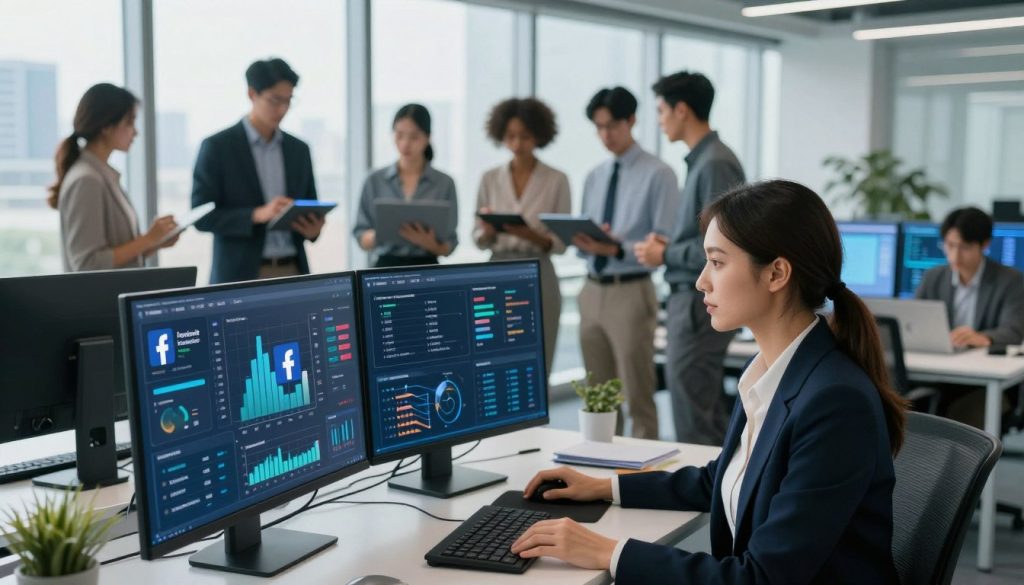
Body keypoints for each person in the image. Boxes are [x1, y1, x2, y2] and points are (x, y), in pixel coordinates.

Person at [512, 180, 906, 584]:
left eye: (717, 262)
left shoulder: (834, 402)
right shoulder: (772, 372)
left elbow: (760, 579)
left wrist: (608, 552)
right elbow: (721, 479)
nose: (702, 280)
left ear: (776, 274)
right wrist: (604, 487)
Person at [634, 71, 746, 445]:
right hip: (689, 299)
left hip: (700, 303)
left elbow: (722, 246)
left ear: (682, 110)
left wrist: (664, 252)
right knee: (693, 405)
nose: (660, 118)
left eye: (662, 110)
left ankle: (711, 498)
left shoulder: (714, 163)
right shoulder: (703, 161)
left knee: (695, 412)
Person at [575, 87, 678, 440]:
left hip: (631, 291)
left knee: (637, 395)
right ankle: (598, 474)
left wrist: (616, 249)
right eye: (599, 127)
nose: (605, 135)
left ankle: (645, 481)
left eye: (612, 126)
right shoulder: (593, 176)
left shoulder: (659, 174)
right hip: (591, 290)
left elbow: (663, 242)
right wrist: (588, 242)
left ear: (631, 120)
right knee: (599, 398)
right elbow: (585, 239)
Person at [192, 58, 324, 283]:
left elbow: (310, 205)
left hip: (293, 270)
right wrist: (257, 214)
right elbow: (202, 216)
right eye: (275, 100)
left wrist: (314, 230)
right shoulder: (218, 147)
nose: (282, 109)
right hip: (240, 276)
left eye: (289, 100)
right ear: (252, 94)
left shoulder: (299, 150)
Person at [474, 97, 570, 375]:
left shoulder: (557, 179)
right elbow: (476, 236)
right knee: (493, 359)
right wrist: (487, 231)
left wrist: (531, 235)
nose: (517, 144)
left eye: (525, 137)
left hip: (539, 271)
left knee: (541, 357)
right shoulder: (489, 178)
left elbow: (562, 243)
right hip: (496, 270)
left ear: (539, 136)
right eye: (510, 136)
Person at [915, 206, 1024, 428]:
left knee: (960, 417)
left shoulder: (1010, 280)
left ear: (984, 245)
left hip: (986, 383)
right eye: (949, 245)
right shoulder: (933, 277)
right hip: (940, 374)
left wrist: (982, 337)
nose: (954, 255)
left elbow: (1015, 330)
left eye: (964, 247)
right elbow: (914, 323)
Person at [52, 83, 178, 272]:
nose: (135, 132)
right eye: (129, 122)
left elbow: (114, 257)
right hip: (101, 301)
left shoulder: (102, 175)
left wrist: (155, 243)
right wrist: (148, 239)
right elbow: (88, 264)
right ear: (106, 126)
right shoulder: (87, 180)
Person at [352, 104, 458, 267]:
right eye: (399, 135)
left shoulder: (445, 183)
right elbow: (360, 236)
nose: (405, 143)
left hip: (428, 267)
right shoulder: (374, 180)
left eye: (414, 137)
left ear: (428, 137)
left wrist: (429, 243)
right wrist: (379, 235)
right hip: (384, 267)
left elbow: (449, 245)